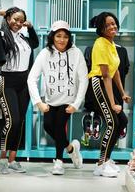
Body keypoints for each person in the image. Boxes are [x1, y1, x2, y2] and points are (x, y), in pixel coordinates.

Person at [27, 20, 88, 175]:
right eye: (58, 36)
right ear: (52, 36)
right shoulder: (45, 53)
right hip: (50, 100)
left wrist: (76, 103)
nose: (62, 40)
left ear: (69, 38)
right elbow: (31, 78)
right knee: (48, 126)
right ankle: (71, 149)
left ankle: (59, 161)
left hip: (68, 100)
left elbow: (84, 79)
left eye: (65, 36)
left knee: (60, 126)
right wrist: (38, 102)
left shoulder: (76, 53)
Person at [0, 7, 39, 174]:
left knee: (20, 121)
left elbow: (34, 43)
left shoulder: (23, 37)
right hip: (7, 82)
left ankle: (13, 160)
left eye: (21, 20)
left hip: (24, 83)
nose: (18, 23)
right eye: (15, 19)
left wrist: (31, 28)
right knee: (11, 121)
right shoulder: (0, 36)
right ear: (7, 19)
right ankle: (2, 160)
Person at [87, 12, 131, 177]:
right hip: (98, 83)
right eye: (108, 25)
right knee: (112, 122)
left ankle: (106, 159)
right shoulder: (100, 44)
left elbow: (116, 72)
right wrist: (113, 104)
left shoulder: (111, 44)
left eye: (114, 23)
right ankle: (100, 164)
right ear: (101, 29)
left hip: (107, 83)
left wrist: (123, 93)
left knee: (122, 122)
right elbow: (105, 76)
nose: (112, 27)